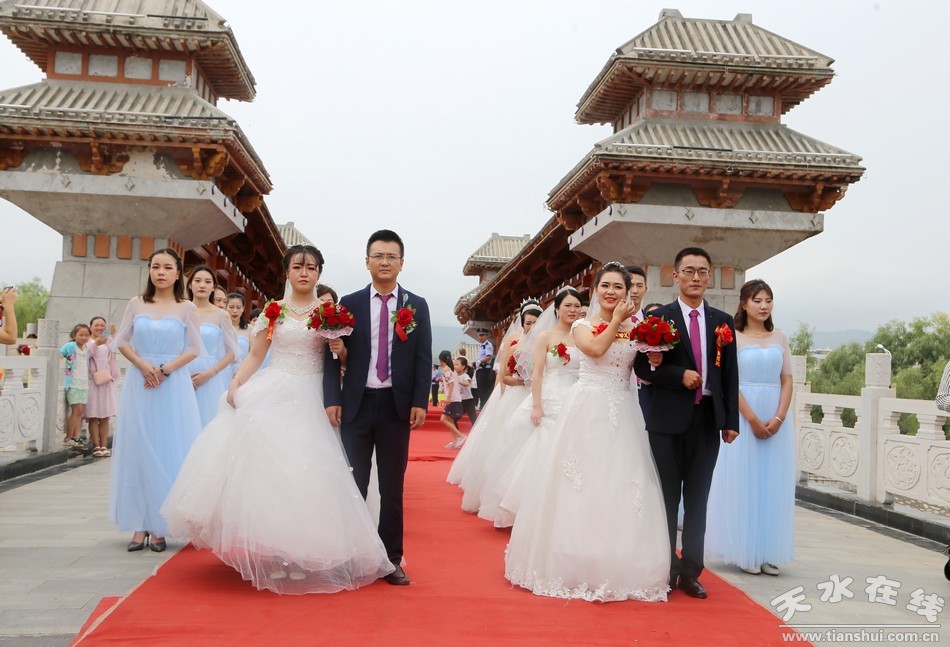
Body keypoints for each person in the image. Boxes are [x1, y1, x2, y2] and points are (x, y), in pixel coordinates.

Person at [163, 244, 394, 594]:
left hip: (317, 396)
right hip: (277, 390)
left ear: (319, 273)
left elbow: (348, 360)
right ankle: (277, 552)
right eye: (298, 267)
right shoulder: (274, 310)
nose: (304, 273)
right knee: (273, 474)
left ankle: (303, 554)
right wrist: (237, 383)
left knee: (309, 473)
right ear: (287, 272)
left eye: (311, 267)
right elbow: (257, 355)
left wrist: (341, 350)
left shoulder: (331, 312)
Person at [505, 264, 670, 601]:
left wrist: (655, 357)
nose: (611, 292)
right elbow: (595, 350)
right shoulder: (582, 325)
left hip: (623, 408)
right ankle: (572, 559)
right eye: (605, 285)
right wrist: (617, 321)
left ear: (628, 292)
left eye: (618, 287)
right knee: (580, 480)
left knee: (622, 481)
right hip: (588, 407)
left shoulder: (637, 328)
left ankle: (618, 561)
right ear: (595, 291)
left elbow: (641, 369)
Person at [323, 229, 432, 587]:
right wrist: (332, 398)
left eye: (391, 256)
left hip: (395, 407)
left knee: (392, 487)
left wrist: (419, 401)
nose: (385, 262)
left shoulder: (417, 305)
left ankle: (391, 559)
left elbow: (423, 357)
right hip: (356, 403)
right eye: (378, 256)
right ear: (367, 261)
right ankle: (351, 554)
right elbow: (330, 351)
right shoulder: (349, 304)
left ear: (402, 263)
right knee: (354, 484)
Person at [633, 247, 739, 600]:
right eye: (689, 270)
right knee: (665, 497)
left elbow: (730, 374)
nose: (696, 277)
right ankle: (666, 568)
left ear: (709, 276)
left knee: (697, 499)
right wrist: (678, 375)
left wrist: (730, 420)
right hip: (666, 421)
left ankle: (691, 571)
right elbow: (642, 368)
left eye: (702, 271)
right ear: (675, 275)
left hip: (707, 420)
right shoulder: (658, 319)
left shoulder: (723, 322)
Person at [110, 248, 204, 553]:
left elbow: (194, 349)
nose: (160, 272)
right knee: (137, 449)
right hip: (140, 382)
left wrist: (165, 370)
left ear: (178, 274)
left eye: (167, 267)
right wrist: (142, 365)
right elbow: (121, 341)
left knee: (167, 449)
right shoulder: (136, 303)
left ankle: (161, 525)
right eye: (155, 267)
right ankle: (140, 524)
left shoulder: (186, 307)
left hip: (172, 384)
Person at [706, 280, 795, 576]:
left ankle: (768, 551)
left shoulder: (780, 337)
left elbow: (787, 379)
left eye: (768, 300)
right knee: (743, 482)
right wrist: (753, 419)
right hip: (743, 414)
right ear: (744, 304)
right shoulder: (732, 336)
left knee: (771, 484)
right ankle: (745, 551)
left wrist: (779, 417)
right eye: (757, 300)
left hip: (775, 414)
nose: (764, 306)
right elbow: (729, 381)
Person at [478, 286, 582, 527]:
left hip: (575, 395)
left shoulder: (583, 335)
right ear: (557, 309)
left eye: (577, 306)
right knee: (537, 451)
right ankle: (526, 509)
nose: (573, 310)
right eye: (568, 305)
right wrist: (536, 405)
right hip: (549, 395)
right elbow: (537, 374)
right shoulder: (546, 336)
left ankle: (559, 511)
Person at [456, 299, 540, 513]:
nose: (532, 327)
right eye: (528, 322)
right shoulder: (513, 340)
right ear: (522, 321)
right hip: (516, 394)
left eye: (536, 322)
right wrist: (507, 393)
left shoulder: (544, 342)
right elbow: (503, 375)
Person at [186, 266, 238, 427]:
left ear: (213, 287)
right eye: (197, 281)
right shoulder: (180, 310)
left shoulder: (222, 315)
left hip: (209, 376)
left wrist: (210, 373)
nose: (202, 285)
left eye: (207, 282)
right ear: (190, 284)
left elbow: (231, 354)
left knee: (205, 423)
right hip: (181, 373)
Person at [86, 316, 119, 458]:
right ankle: (96, 446)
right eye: (96, 325)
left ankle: (104, 445)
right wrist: (95, 344)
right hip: (92, 381)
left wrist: (114, 333)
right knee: (93, 416)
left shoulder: (108, 341)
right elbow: (84, 355)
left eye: (102, 325)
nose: (99, 328)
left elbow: (119, 347)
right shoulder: (87, 341)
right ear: (90, 327)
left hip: (106, 380)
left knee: (105, 416)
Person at [60, 324, 92, 450]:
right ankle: (68, 438)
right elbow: (60, 354)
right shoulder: (70, 346)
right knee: (75, 410)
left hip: (83, 383)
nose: (84, 337)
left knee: (80, 411)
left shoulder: (85, 349)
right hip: (73, 383)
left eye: (86, 335)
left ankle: (75, 437)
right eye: (81, 335)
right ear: (74, 335)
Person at [438, 350, 465, 449]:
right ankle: (456, 441)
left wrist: (448, 397)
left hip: (453, 398)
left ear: (441, 360)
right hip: (455, 398)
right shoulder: (451, 370)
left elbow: (451, 383)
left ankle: (460, 436)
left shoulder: (446, 369)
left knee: (443, 419)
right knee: (450, 420)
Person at [226, 292, 250, 368]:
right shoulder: (220, 328)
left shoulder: (250, 329)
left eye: (238, 307)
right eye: (231, 307)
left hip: (243, 370)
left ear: (243, 308)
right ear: (225, 307)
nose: (235, 311)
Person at [474, 328, 495, 410]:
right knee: (480, 388)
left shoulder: (487, 345)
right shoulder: (481, 345)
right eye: (479, 335)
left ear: (486, 336)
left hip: (484, 369)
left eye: (482, 335)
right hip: (479, 369)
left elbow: (489, 356)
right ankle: (482, 405)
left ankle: (484, 406)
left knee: (484, 389)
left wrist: (480, 361)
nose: (480, 337)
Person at [456, 356, 477, 425]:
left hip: (468, 401)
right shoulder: (455, 376)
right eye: (454, 365)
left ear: (463, 366)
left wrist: (458, 381)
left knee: (474, 420)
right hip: (460, 401)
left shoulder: (465, 376)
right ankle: (456, 432)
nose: (455, 366)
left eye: (457, 365)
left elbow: (467, 383)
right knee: (453, 419)